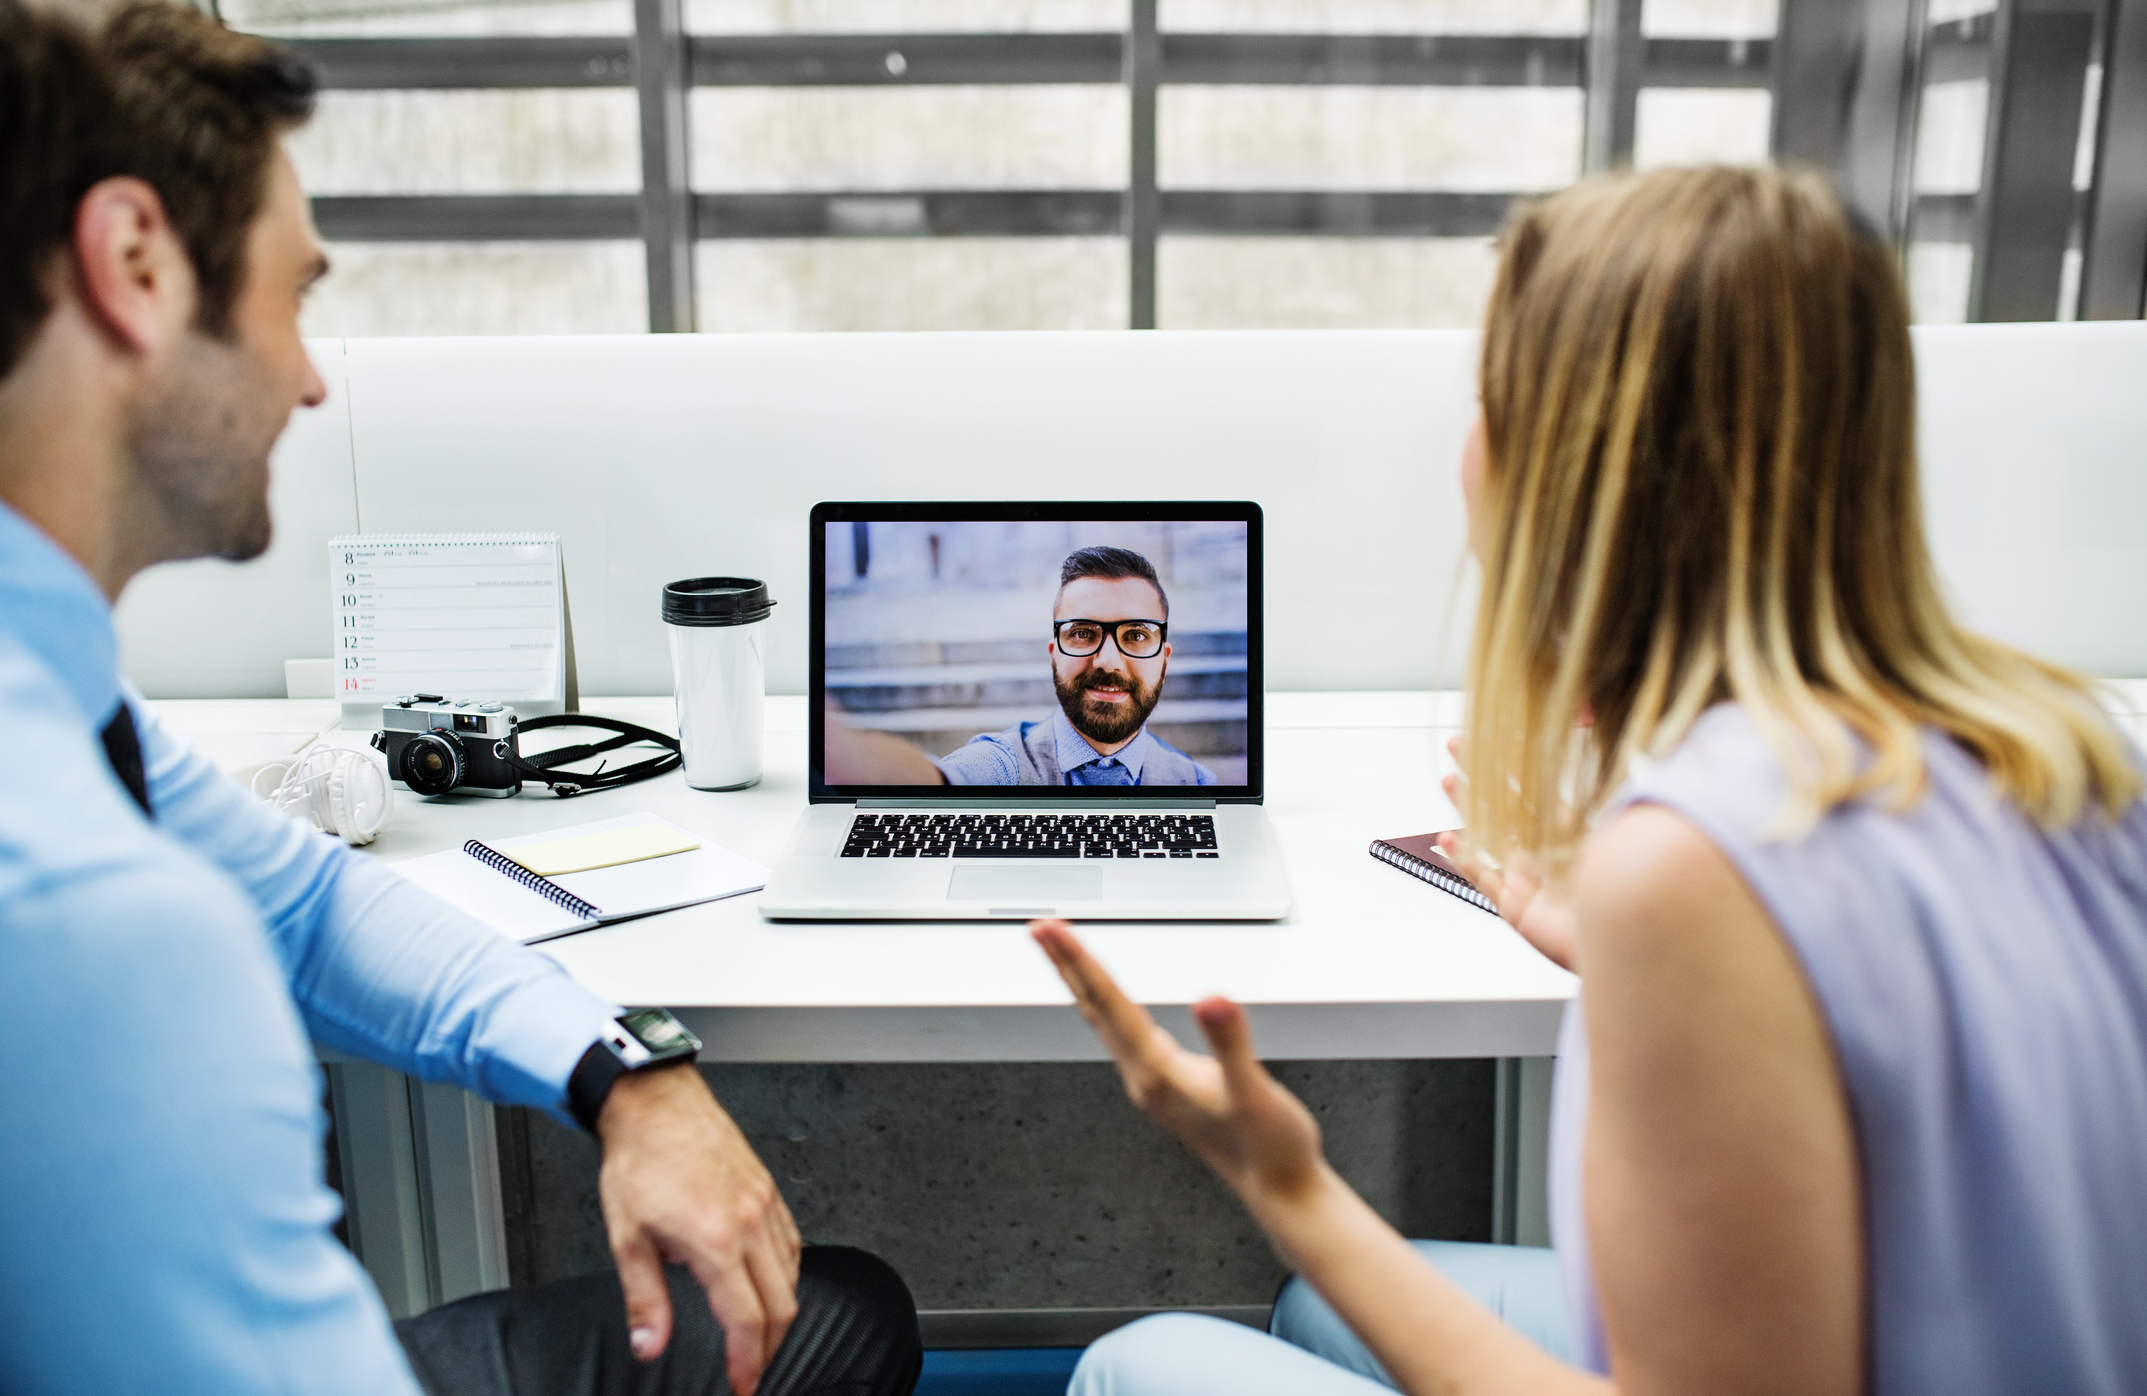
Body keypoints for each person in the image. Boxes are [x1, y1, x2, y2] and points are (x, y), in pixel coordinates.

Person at [1035, 164, 2147, 1396]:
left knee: (1139, 1362)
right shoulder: (2068, 741)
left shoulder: (1692, 868)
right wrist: (1628, 948)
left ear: (1572, 466)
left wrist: (1283, 1182)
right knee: (1316, 1312)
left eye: (1489, 394)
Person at [0, 5, 920, 1395]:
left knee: (837, 1315)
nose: (310, 381)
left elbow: (308, 905)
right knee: (805, 1328)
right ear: (134, 264)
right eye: (291, 295)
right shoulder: (89, 920)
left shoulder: (68, 712)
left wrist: (627, 1069)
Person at [828, 545, 1217, 787]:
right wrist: (847, 753)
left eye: (1136, 635)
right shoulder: (1003, 763)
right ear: (1054, 652)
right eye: (1082, 633)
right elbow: (942, 783)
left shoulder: (1198, 784)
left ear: (1164, 659)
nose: (1108, 661)